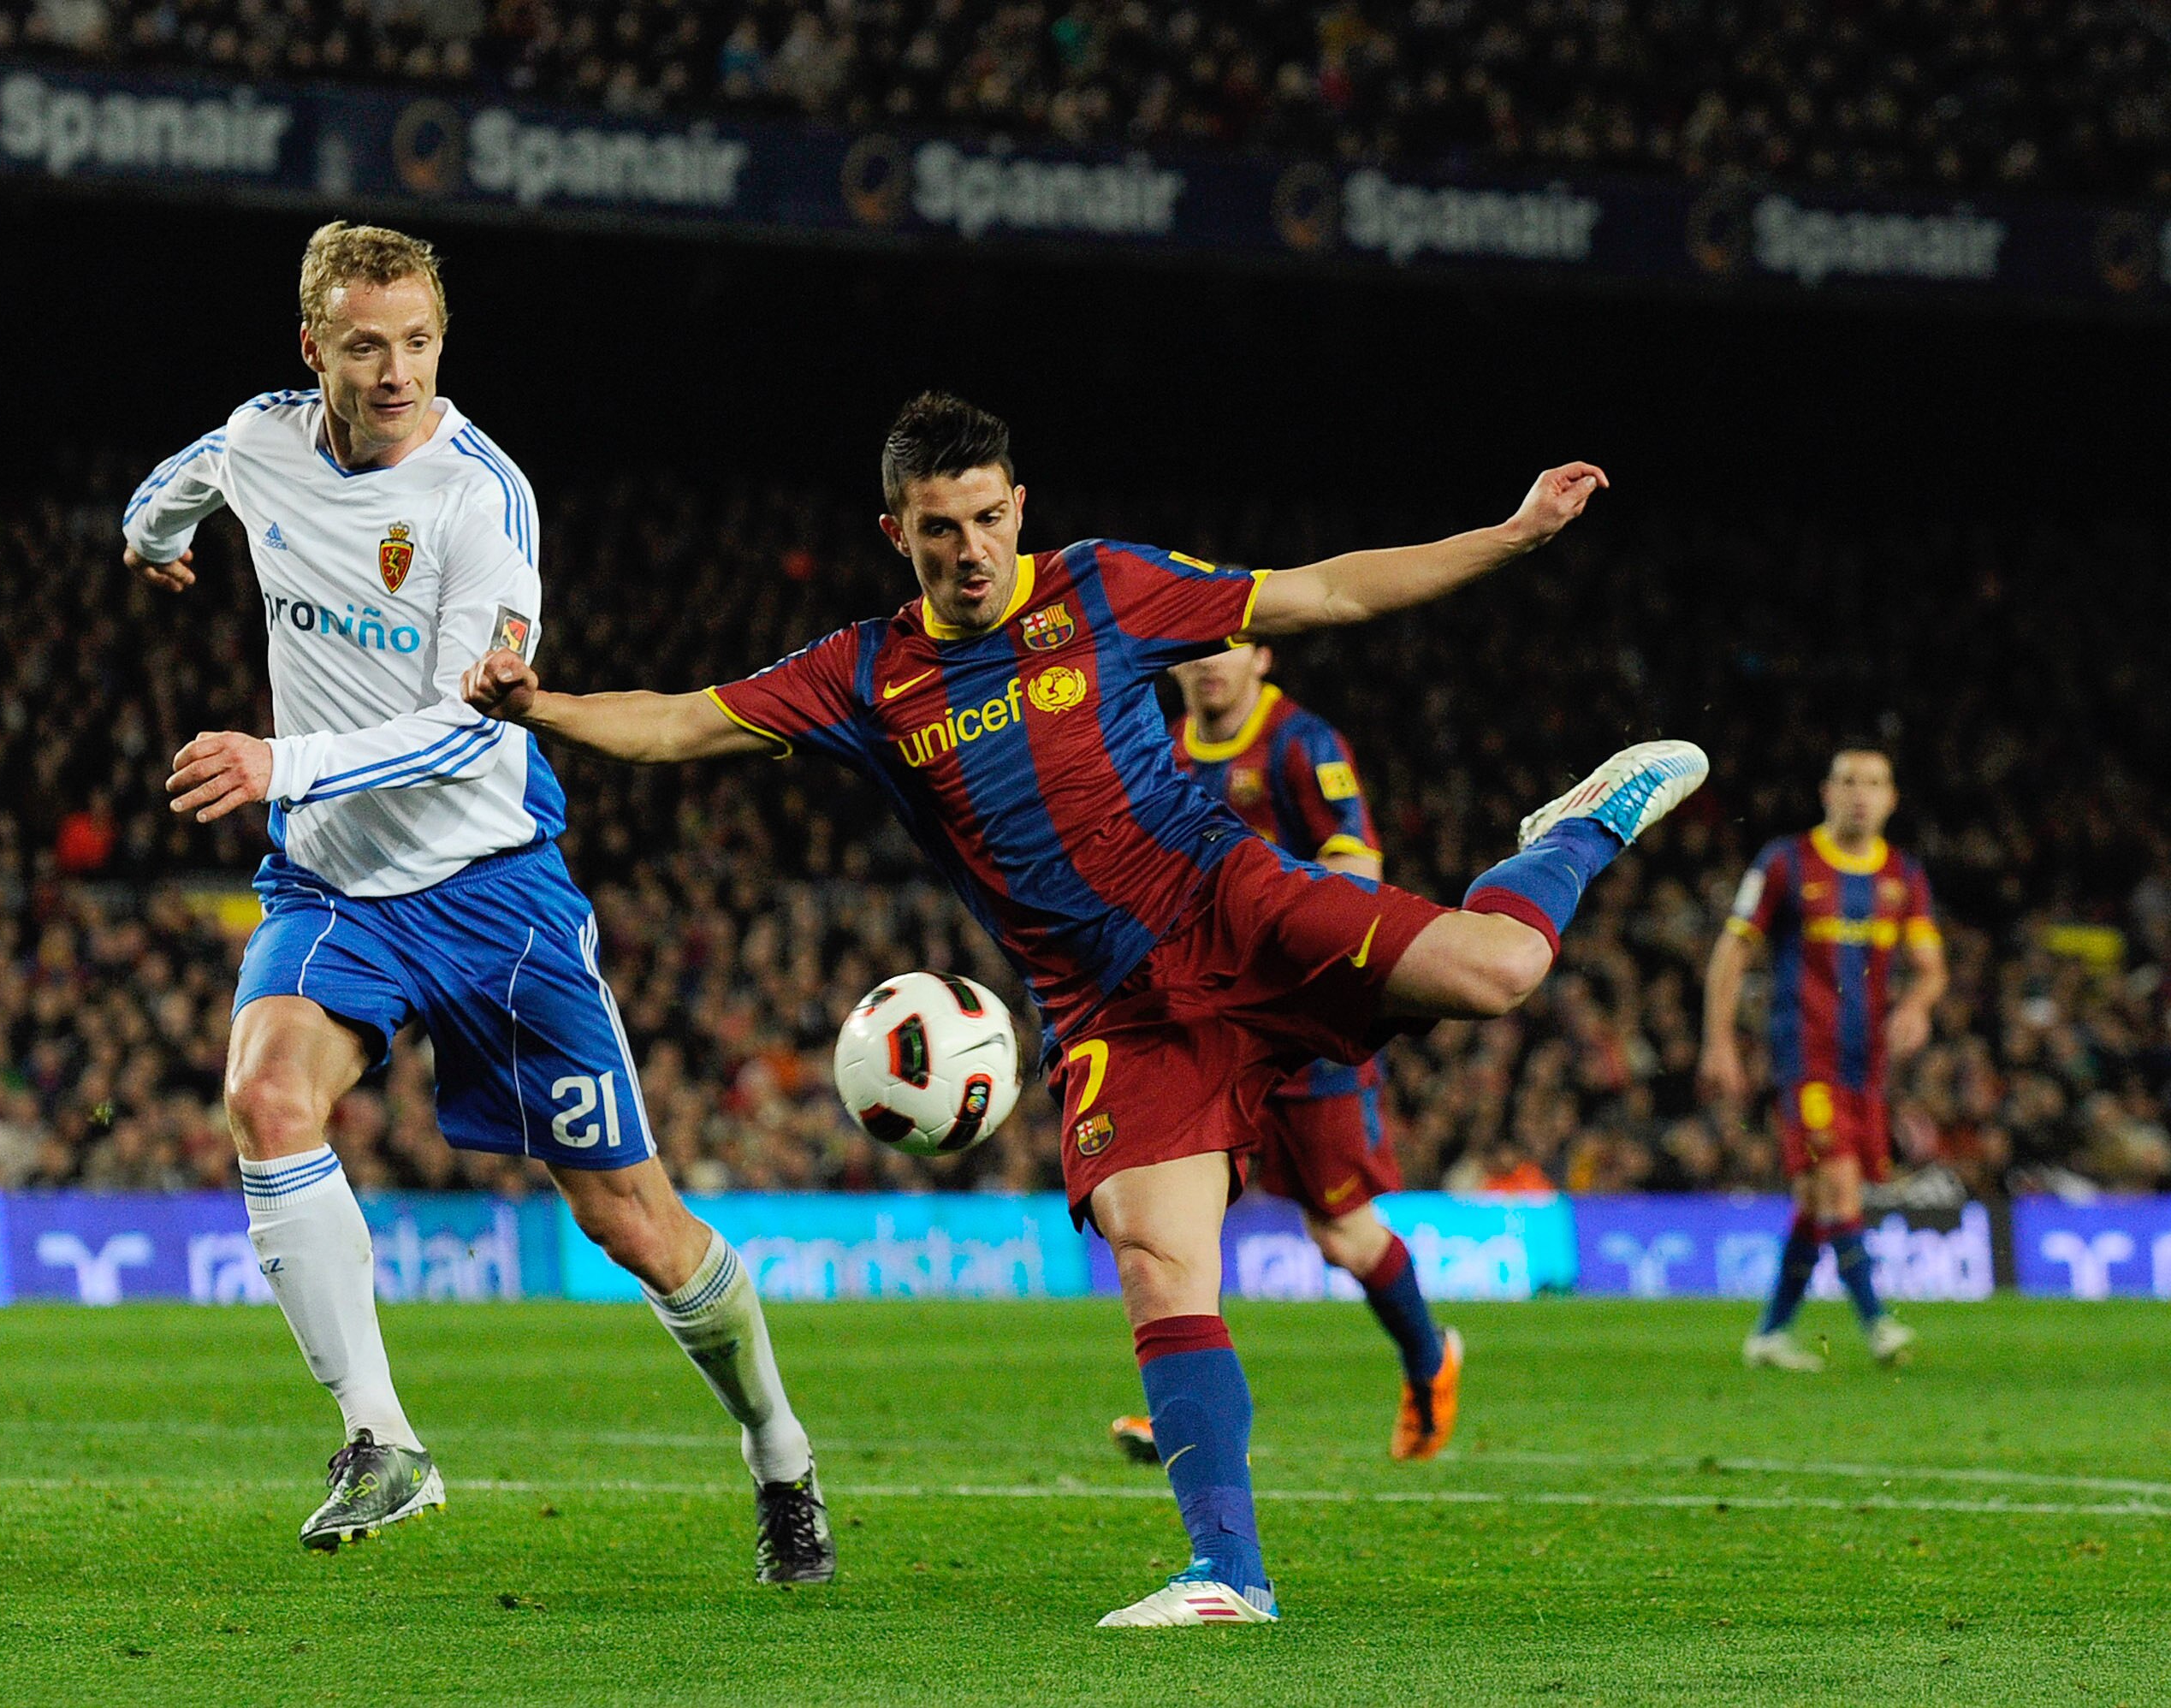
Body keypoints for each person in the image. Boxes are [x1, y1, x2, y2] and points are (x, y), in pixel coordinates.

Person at [464, 391, 1707, 1628]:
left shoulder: (1107, 587)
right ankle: (1229, 1574)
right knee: (1161, 1259)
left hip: (1236, 907)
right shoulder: (864, 673)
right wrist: (542, 707)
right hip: (1111, 1011)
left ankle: (1582, 824)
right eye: (938, 528)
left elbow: (1325, 592)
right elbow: (684, 724)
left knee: (1502, 971)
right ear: (895, 531)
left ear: (1021, 508)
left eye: (988, 518)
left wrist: (1512, 535)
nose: (969, 550)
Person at [121, 221, 833, 1581]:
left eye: (420, 343)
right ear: (312, 349)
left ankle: (780, 1454)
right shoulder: (257, 440)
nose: (397, 372)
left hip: (495, 892)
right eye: (366, 344)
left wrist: (279, 761)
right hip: (333, 883)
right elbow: (175, 487)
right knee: (266, 1099)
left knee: (635, 1224)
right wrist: (152, 537)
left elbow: (462, 732)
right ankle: (380, 1438)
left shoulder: (481, 500)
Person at [1107, 643, 1461, 1468]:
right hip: (1198, 1020)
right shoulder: (1157, 749)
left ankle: (1428, 1360)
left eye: (1226, 652)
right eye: (1193, 656)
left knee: (1342, 1234)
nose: (1210, 669)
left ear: (1262, 657)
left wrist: (1275, 917)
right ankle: (1186, 1407)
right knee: (1176, 1218)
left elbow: (1358, 859)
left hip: (1301, 1018)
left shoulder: (1303, 742)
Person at [1702, 748, 1945, 1371]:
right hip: (1805, 1058)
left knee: (1818, 1199)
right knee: (1836, 1183)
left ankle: (1770, 1333)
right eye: (1847, 782)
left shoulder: (1903, 875)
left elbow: (1932, 968)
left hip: (1866, 1067)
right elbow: (1733, 951)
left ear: (1892, 799)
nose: (1860, 794)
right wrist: (1719, 1041)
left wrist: (1918, 1003)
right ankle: (1878, 1323)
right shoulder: (1786, 862)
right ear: (1825, 793)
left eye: (1873, 783)